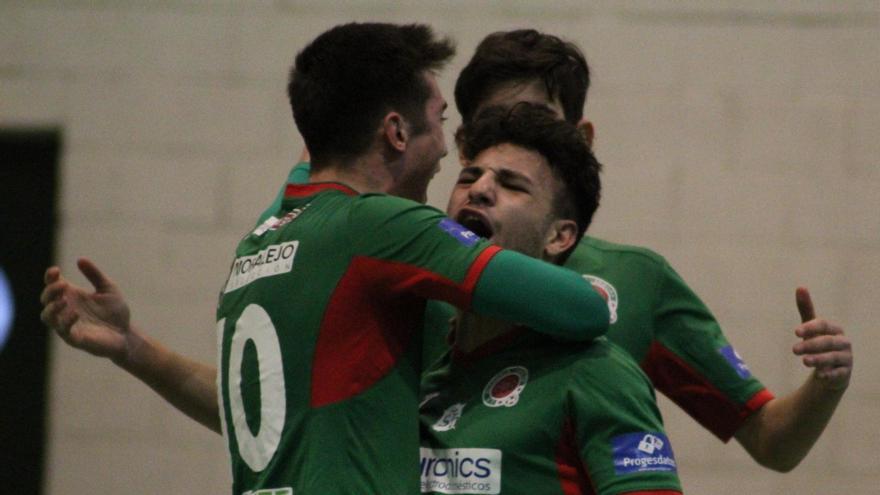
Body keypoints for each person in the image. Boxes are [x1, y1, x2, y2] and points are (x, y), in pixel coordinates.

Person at [40, 23, 611, 495]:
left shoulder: (260, 240)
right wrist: (604, 294)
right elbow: (583, 309)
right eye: (440, 121)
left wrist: (135, 349)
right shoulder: (378, 227)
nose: (447, 147)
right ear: (395, 131)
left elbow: (272, 415)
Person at [446, 29, 852, 472]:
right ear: (465, 145)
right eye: (495, 125)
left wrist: (826, 384)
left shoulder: (637, 280)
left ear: (581, 138)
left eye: (537, 122)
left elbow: (774, 442)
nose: (514, 143)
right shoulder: (407, 267)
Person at [420, 102, 683, 495]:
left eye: (511, 185)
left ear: (559, 236)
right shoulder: (424, 379)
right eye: (469, 176)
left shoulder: (596, 373)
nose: (478, 189)